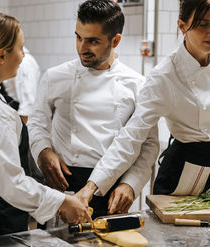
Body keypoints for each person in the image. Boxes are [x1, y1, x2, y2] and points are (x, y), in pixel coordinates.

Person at [0, 11, 90, 241]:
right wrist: (62, 202)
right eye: (21, 48)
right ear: (1, 55)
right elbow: (12, 184)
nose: (23, 56)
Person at [75, 0, 210, 204]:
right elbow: (133, 135)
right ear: (182, 26)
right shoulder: (164, 76)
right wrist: (93, 185)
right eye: (203, 24)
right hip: (185, 171)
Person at [28, 0, 159, 218]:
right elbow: (37, 122)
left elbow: (149, 145)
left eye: (93, 41)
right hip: (63, 185)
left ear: (115, 40)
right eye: (78, 37)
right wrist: (43, 151)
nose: (82, 48)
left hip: (111, 190)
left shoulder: (137, 85)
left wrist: (130, 184)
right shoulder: (55, 76)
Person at [2, 46, 41, 124]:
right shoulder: (10, 58)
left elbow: (28, 103)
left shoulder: (24, 63)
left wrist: (20, 133)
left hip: (17, 115)